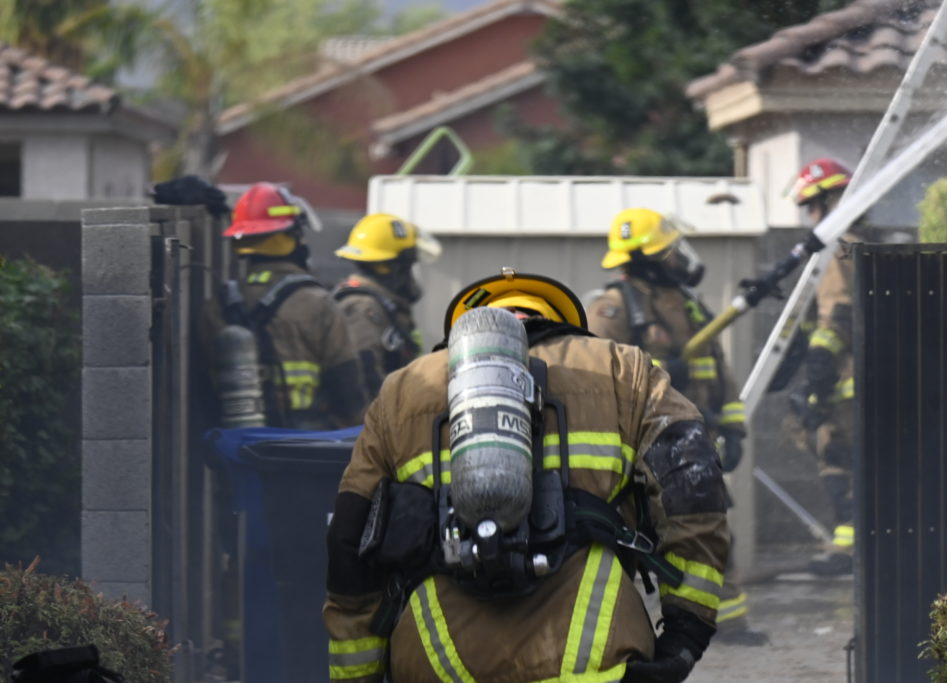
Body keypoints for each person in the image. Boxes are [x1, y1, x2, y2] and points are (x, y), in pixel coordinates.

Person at [323, 268, 730, 682]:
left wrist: (358, 675)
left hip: (438, 663)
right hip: (595, 660)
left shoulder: (400, 392)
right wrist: (686, 632)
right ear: (560, 322)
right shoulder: (624, 370)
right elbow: (695, 489)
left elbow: (348, 541)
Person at [585, 208, 762, 643]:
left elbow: (719, 369)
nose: (678, 259)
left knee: (709, 530)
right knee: (631, 541)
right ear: (645, 259)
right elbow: (597, 374)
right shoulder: (612, 308)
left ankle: (726, 623)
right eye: (669, 252)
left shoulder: (688, 303)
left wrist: (734, 427)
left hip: (695, 438)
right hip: (645, 445)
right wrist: (660, 371)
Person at [206, 181, 366, 429]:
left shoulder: (217, 304)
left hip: (238, 445)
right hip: (304, 444)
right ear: (292, 236)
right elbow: (348, 394)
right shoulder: (318, 303)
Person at [788, 158, 858, 575]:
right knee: (846, 459)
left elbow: (837, 313)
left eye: (812, 206)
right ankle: (847, 546)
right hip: (858, 375)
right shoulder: (856, 244)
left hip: (844, 377)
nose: (811, 216)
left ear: (830, 200)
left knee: (836, 454)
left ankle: (848, 549)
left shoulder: (835, 246)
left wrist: (818, 370)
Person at [332, 213, 440, 399]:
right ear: (393, 267)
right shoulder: (362, 308)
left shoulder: (383, 306)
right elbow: (364, 381)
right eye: (410, 266)